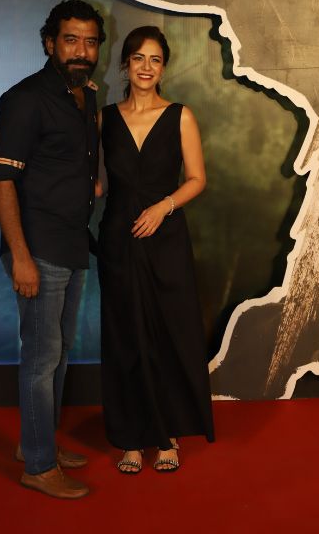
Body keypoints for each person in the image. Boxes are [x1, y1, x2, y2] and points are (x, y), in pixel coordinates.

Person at [0, 0, 105, 499]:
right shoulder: (25, 99)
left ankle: (37, 442)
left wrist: (91, 181)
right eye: (71, 40)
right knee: (41, 358)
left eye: (90, 42)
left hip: (73, 242)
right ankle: (38, 466)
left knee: (59, 352)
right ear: (50, 43)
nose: (81, 51)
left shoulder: (84, 96)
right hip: (37, 248)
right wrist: (20, 256)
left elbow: (75, 155)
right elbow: (0, 179)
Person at [97, 25, 215, 474]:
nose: (146, 67)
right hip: (118, 240)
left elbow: (197, 179)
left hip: (165, 240)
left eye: (155, 60)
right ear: (125, 64)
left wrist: (163, 208)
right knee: (125, 337)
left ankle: (167, 435)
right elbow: (99, 184)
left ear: (163, 68)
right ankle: (130, 437)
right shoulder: (104, 119)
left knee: (168, 335)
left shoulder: (180, 116)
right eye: (138, 58)